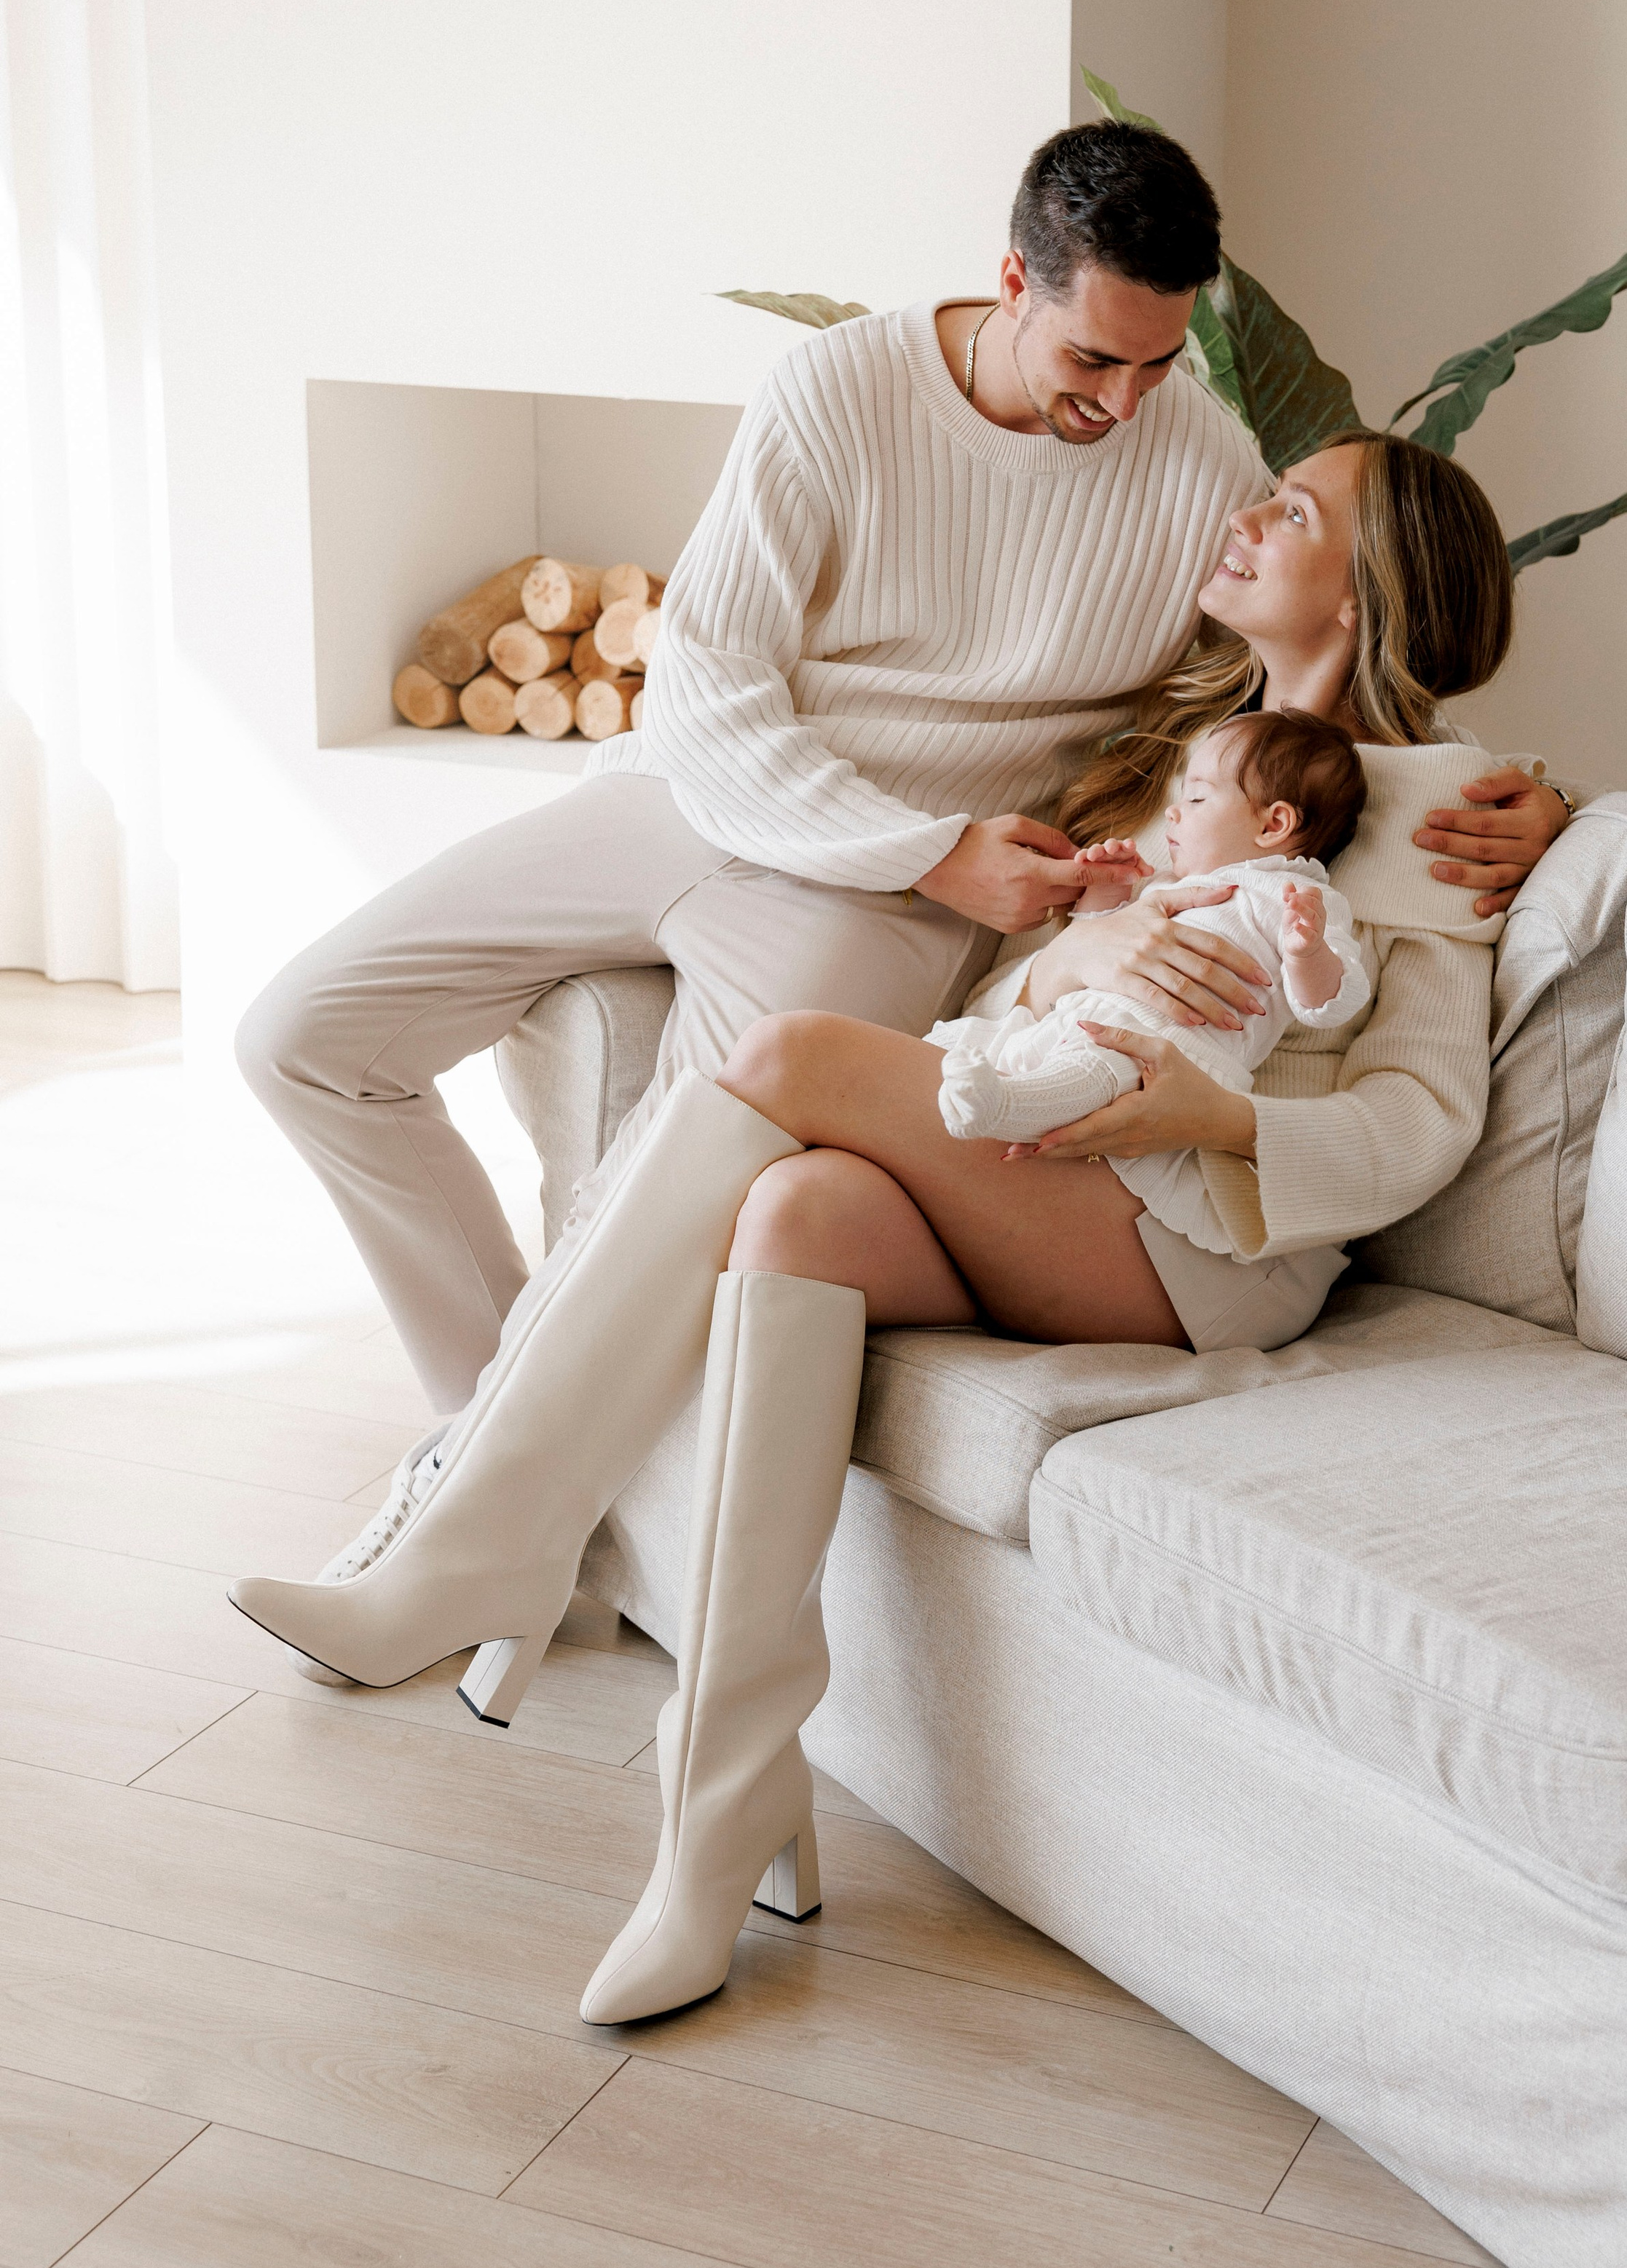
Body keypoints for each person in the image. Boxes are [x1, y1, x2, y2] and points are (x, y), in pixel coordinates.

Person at [229, 424, 1556, 2031]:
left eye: (1292, 513)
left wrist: (1216, 1112)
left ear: (1363, 595)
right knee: (794, 1210)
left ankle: (487, 1532)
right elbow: (1025, 976)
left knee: (784, 1057)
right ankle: (718, 1823)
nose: (1242, 515)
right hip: (1052, 1167)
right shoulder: (1165, 757)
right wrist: (1070, 966)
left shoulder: (1445, 816)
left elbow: (1420, 1120)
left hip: (1203, 1242)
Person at [932, 707, 1370, 1185]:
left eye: (1199, 797)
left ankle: (1000, 1107)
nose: (1173, 811)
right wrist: (1107, 889)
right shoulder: (1167, 885)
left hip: (1165, 1053)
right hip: (1082, 1014)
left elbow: (1331, 1003)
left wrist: (1307, 954)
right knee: (1004, 1043)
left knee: (1090, 1073)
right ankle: (975, 1085)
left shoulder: (1295, 900)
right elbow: (1100, 947)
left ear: (1274, 824)